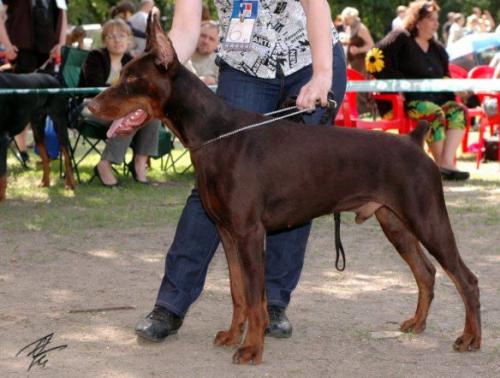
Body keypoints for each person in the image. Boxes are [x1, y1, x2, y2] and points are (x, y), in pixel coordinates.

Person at [135, 0, 347, 342]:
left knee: (296, 184)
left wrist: (323, 74)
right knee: (214, 184)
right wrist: (153, 76)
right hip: (244, 65)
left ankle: (272, 303)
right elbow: (187, 28)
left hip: (310, 58)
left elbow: (314, 4)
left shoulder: (318, 64)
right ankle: (170, 305)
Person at [368, 0, 469, 181]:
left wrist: (456, 89)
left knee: (457, 110)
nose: (436, 24)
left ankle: (446, 163)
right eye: (431, 19)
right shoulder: (400, 38)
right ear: (417, 20)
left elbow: (445, 75)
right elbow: (375, 57)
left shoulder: (438, 49)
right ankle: (439, 165)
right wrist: (400, 84)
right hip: (411, 101)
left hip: (437, 98)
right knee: (435, 112)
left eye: (437, 19)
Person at [79, 18, 160, 186]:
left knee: (152, 114)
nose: (117, 40)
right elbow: (94, 88)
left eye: (122, 36)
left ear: (129, 39)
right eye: (111, 36)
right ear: (104, 40)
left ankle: (139, 163)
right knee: (129, 115)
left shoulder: (131, 61)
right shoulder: (95, 57)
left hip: (121, 109)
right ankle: (104, 165)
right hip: (92, 107)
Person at [0, 0, 68, 164]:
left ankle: (48, 152)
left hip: (48, 51)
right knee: (22, 103)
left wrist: (61, 44)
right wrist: (7, 46)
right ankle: (22, 151)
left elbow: (63, 15)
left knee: (46, 105)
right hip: (21, 51)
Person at [189, 20, 219, 85]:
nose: (206, 41)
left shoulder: (219, 64)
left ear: (217, 44)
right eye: (203, 36)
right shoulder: (183, 56)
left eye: (211, 39)